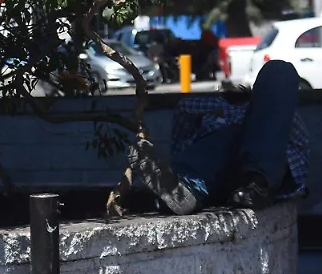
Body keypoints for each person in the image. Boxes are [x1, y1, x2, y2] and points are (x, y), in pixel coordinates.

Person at [125, 59, 309, 215]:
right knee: (217, 143)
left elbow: (297, 158)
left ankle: (255, 185)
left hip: (260, 175)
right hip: (213, 175)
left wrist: (253, 120)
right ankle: (183, 188)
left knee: (278, 70)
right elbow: (185, 110)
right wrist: (222, 105)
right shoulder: (216, 112)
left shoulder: (280, 117)